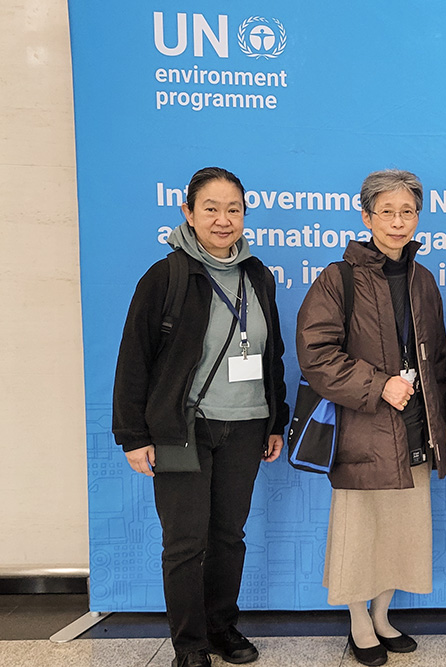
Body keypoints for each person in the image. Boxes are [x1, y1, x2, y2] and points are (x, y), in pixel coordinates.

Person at [113, 167, 289, 667]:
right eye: (210, 208)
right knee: (186, 543)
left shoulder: (258, 275)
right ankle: (190, 646)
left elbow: (269, 353)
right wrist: (133, 435)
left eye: (233, 209)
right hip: (182, 428)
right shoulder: (166, 276)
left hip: (247, 425)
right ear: (188, 213)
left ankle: (221, 628)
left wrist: (276, 421)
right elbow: (134, 358)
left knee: (228, 537)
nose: (223, 219)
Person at [296, 169, 446, 667]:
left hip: (413, 426)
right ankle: (359, 622)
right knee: (358, 533)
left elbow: (438, 358)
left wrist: (441, 419)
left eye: (408, 211)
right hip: (362, 426)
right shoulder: (338, 278)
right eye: (387, 211)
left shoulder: (424, 279)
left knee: (402, 532)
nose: (398, 221)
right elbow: (316, 353)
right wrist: (378, 384)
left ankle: (384, 616)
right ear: (366, 217)